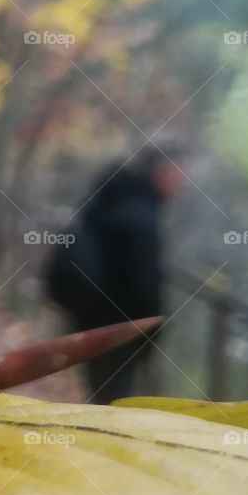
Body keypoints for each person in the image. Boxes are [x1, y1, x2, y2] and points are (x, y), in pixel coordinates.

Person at [44, 141, 185, 404]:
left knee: (101, 397)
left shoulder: (109, 198)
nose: (182, 182)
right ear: (160, 171)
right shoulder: (140, 217)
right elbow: (144, 288)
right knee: (112, 408)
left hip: (90, 322)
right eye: (178, 172)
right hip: (117, 334)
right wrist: (149, 335)